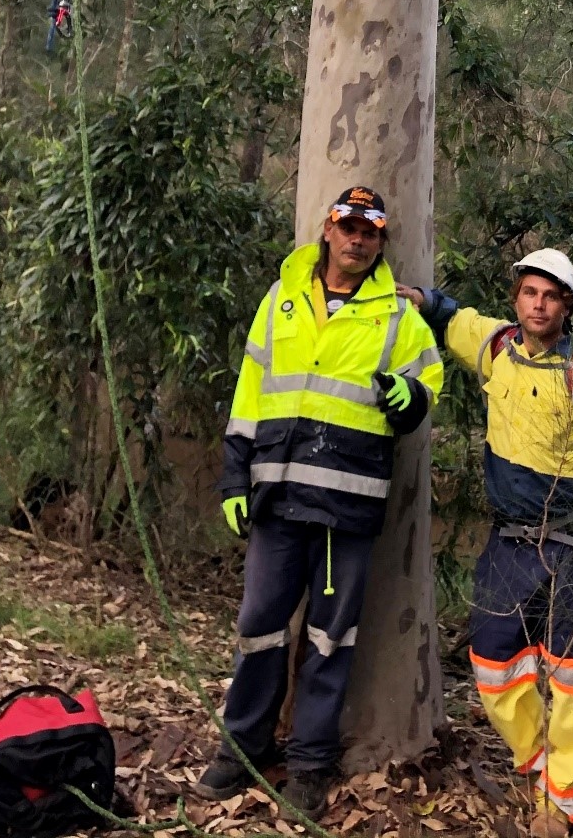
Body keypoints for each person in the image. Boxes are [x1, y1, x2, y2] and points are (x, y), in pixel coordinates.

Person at [196, 187, 442, 818]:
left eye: (370, 231)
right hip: (275, 496)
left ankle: (309, 762)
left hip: (346, 506)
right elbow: (251, 391)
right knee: (258, 630)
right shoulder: (281, 300)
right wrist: (233, 479)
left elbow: (427, 388)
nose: (357, 239)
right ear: (328, 230)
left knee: (331, 641)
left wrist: (407, 398)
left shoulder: (398, 318)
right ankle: (240, 750)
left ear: (381, 241)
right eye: (348, 226)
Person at [403, 250, 573, 838]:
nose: (539, 305)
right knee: (491, 662)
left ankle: (564, 803)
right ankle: (539, 762)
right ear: (516, 298)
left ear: (568, 306)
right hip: (509, 541)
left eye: (552, 296)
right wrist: (421, 300)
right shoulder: (495, 347)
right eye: (530, 293)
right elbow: (452, 318)